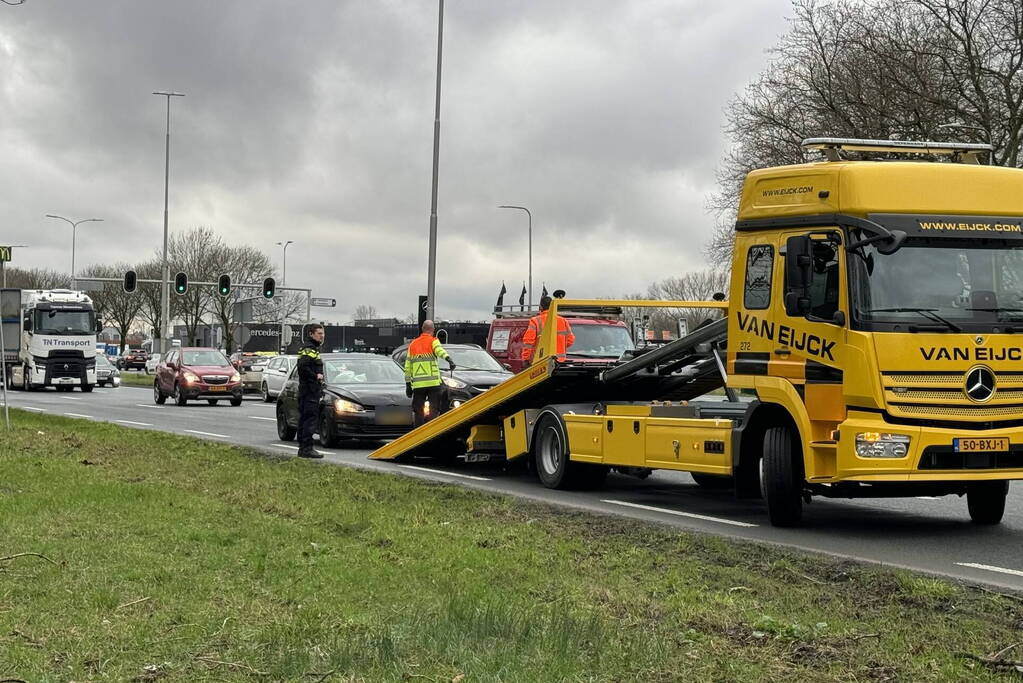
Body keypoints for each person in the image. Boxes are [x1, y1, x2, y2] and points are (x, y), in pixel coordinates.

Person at [404, 319, 455, 427]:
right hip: (433, 384)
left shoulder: (412, 344)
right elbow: (439, 350)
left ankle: (418, 435)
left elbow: (408, 366)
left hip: (418, 385)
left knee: (418, 411)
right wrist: (448, 359)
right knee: (434, 409)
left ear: (422, 329)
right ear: (433, 330)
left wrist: (408, 384)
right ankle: (431, 433)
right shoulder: (433, 341)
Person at [296, 324, 325, 458]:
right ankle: (306, 448)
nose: (322, 336)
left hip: (306, 389)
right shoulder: (309, 348)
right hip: (309, 390)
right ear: (311, 334)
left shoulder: (311, 348)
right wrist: (316, 376)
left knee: (305, 418)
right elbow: (303, 367)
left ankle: (303, 448)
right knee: (310, 419)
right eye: (319, 333)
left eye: (322, 333)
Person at [522, 294, 575, 363]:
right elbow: (570, 340)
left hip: (540, 362)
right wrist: (560, 345)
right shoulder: (563, 321)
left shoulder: (535, 321)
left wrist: (526, 359)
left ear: (540, 307)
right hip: (560, 362)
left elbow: (528, 342)